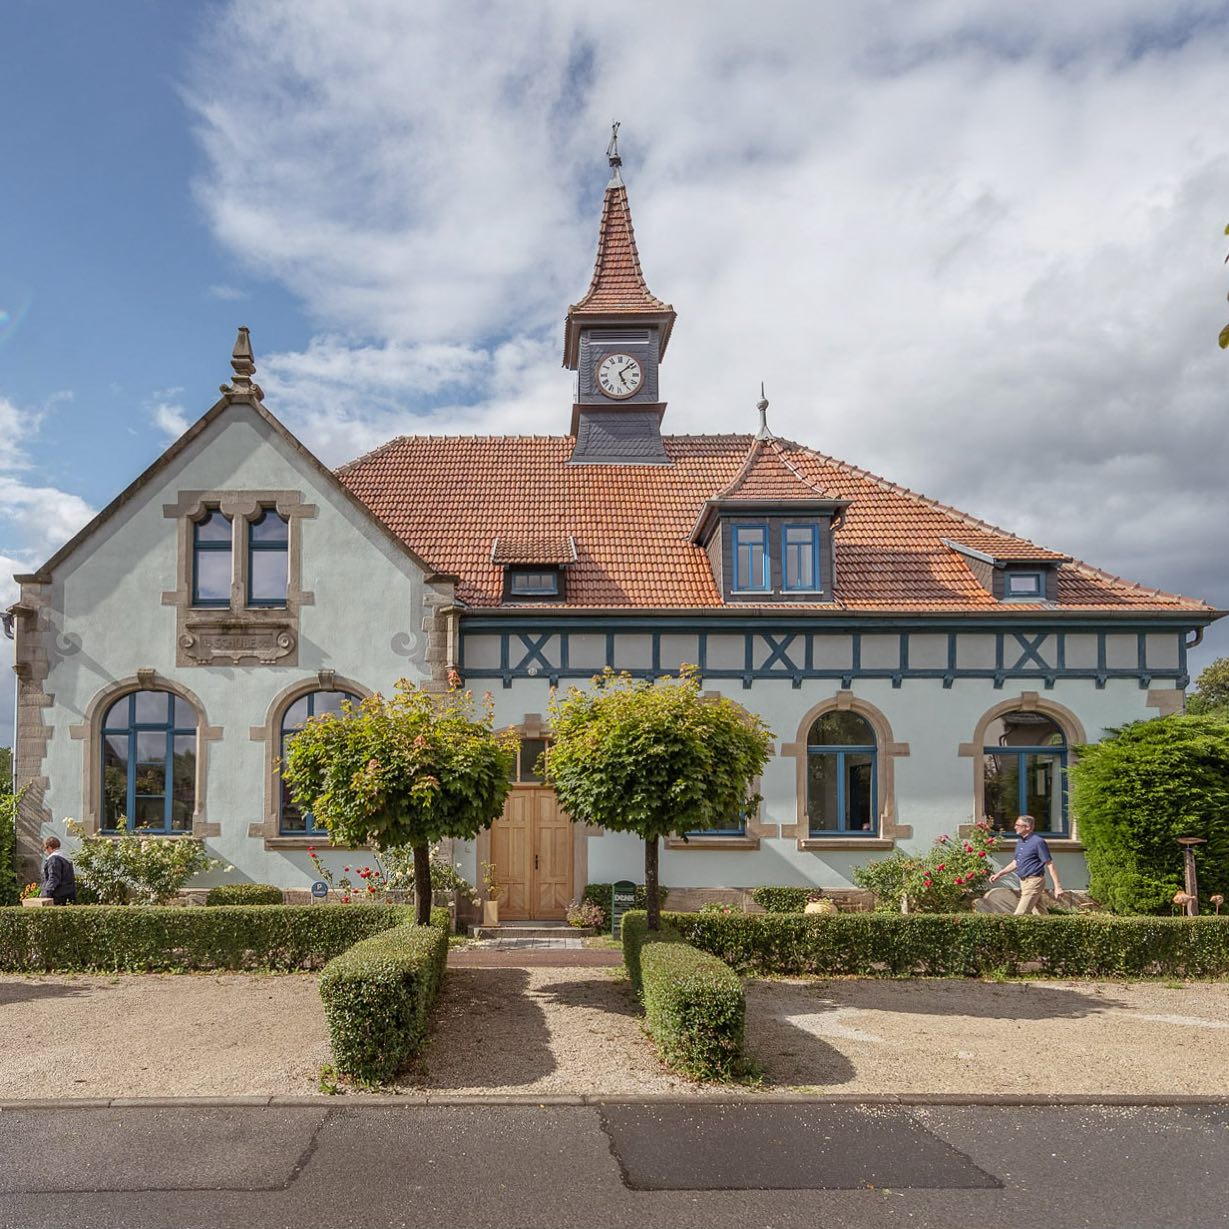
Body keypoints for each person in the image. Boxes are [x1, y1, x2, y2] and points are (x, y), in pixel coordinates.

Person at [988, 814, 1063, 915]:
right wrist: (999, 874)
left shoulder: (1038, 842)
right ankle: (1051, 929)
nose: (1015, 827)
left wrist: (1057, 887)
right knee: (1040, 913)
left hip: (1034, 881)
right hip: (1023, 882)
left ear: (1027, 827)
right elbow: (1016, 863)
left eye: (1018, 825)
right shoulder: (1020, 842)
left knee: (1020, 915)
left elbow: (1050, 864)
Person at [40, 835, 77, 905]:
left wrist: (46, 894)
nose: (45, 851)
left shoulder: (54, 859)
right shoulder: (65, 858)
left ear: (49, 848)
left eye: (45, 848)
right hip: (67, 894)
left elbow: (53, 878)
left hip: (57, 896)